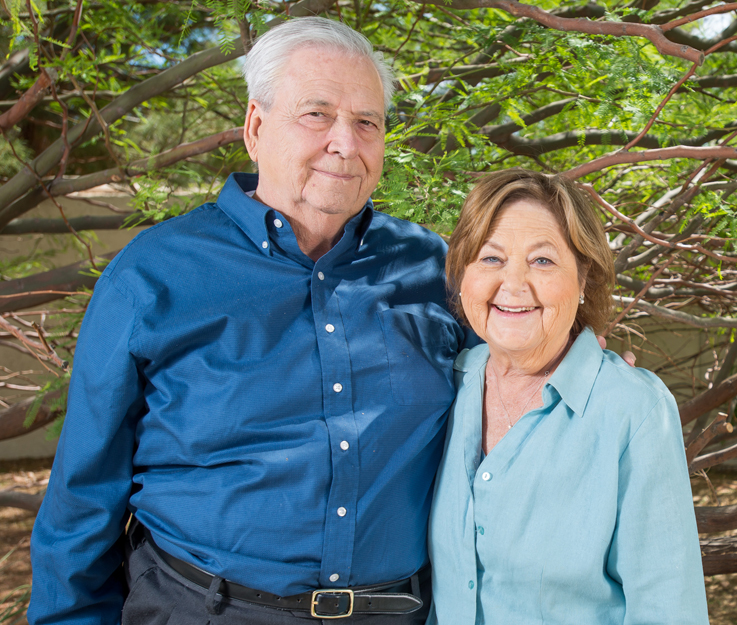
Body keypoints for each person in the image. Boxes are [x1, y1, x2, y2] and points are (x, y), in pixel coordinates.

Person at [28, 17, 474, 625]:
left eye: (367, 121)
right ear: (256, 128)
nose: (346, 141)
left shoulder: (435, 268)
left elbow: (518, 390)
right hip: (201, 610)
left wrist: (589, 368)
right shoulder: (153, 275)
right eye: (317, 114)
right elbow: (83, 496)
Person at [427, 169, 709, 624]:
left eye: (542, 261)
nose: (513, 283)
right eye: (491, 258)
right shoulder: (443, 386)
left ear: (583, 281)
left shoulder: (632, 409)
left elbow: (668, 608)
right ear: (462, 277)